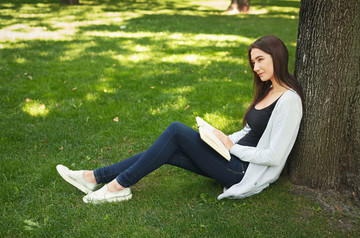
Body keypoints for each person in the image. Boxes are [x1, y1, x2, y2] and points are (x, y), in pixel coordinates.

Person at [56, 35, 303, 204]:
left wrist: (232, 147)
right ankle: (94, 178)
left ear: (277, 57)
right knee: (168, 150)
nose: (255, 67)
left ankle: (117, 186)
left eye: (260, 60)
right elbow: (252, 131)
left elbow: (274, 156)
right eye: (253, 62)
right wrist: (222, 138)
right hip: (232, 158)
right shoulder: (269, 90)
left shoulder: (289, 100)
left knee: (175, 132)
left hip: (242, 171)